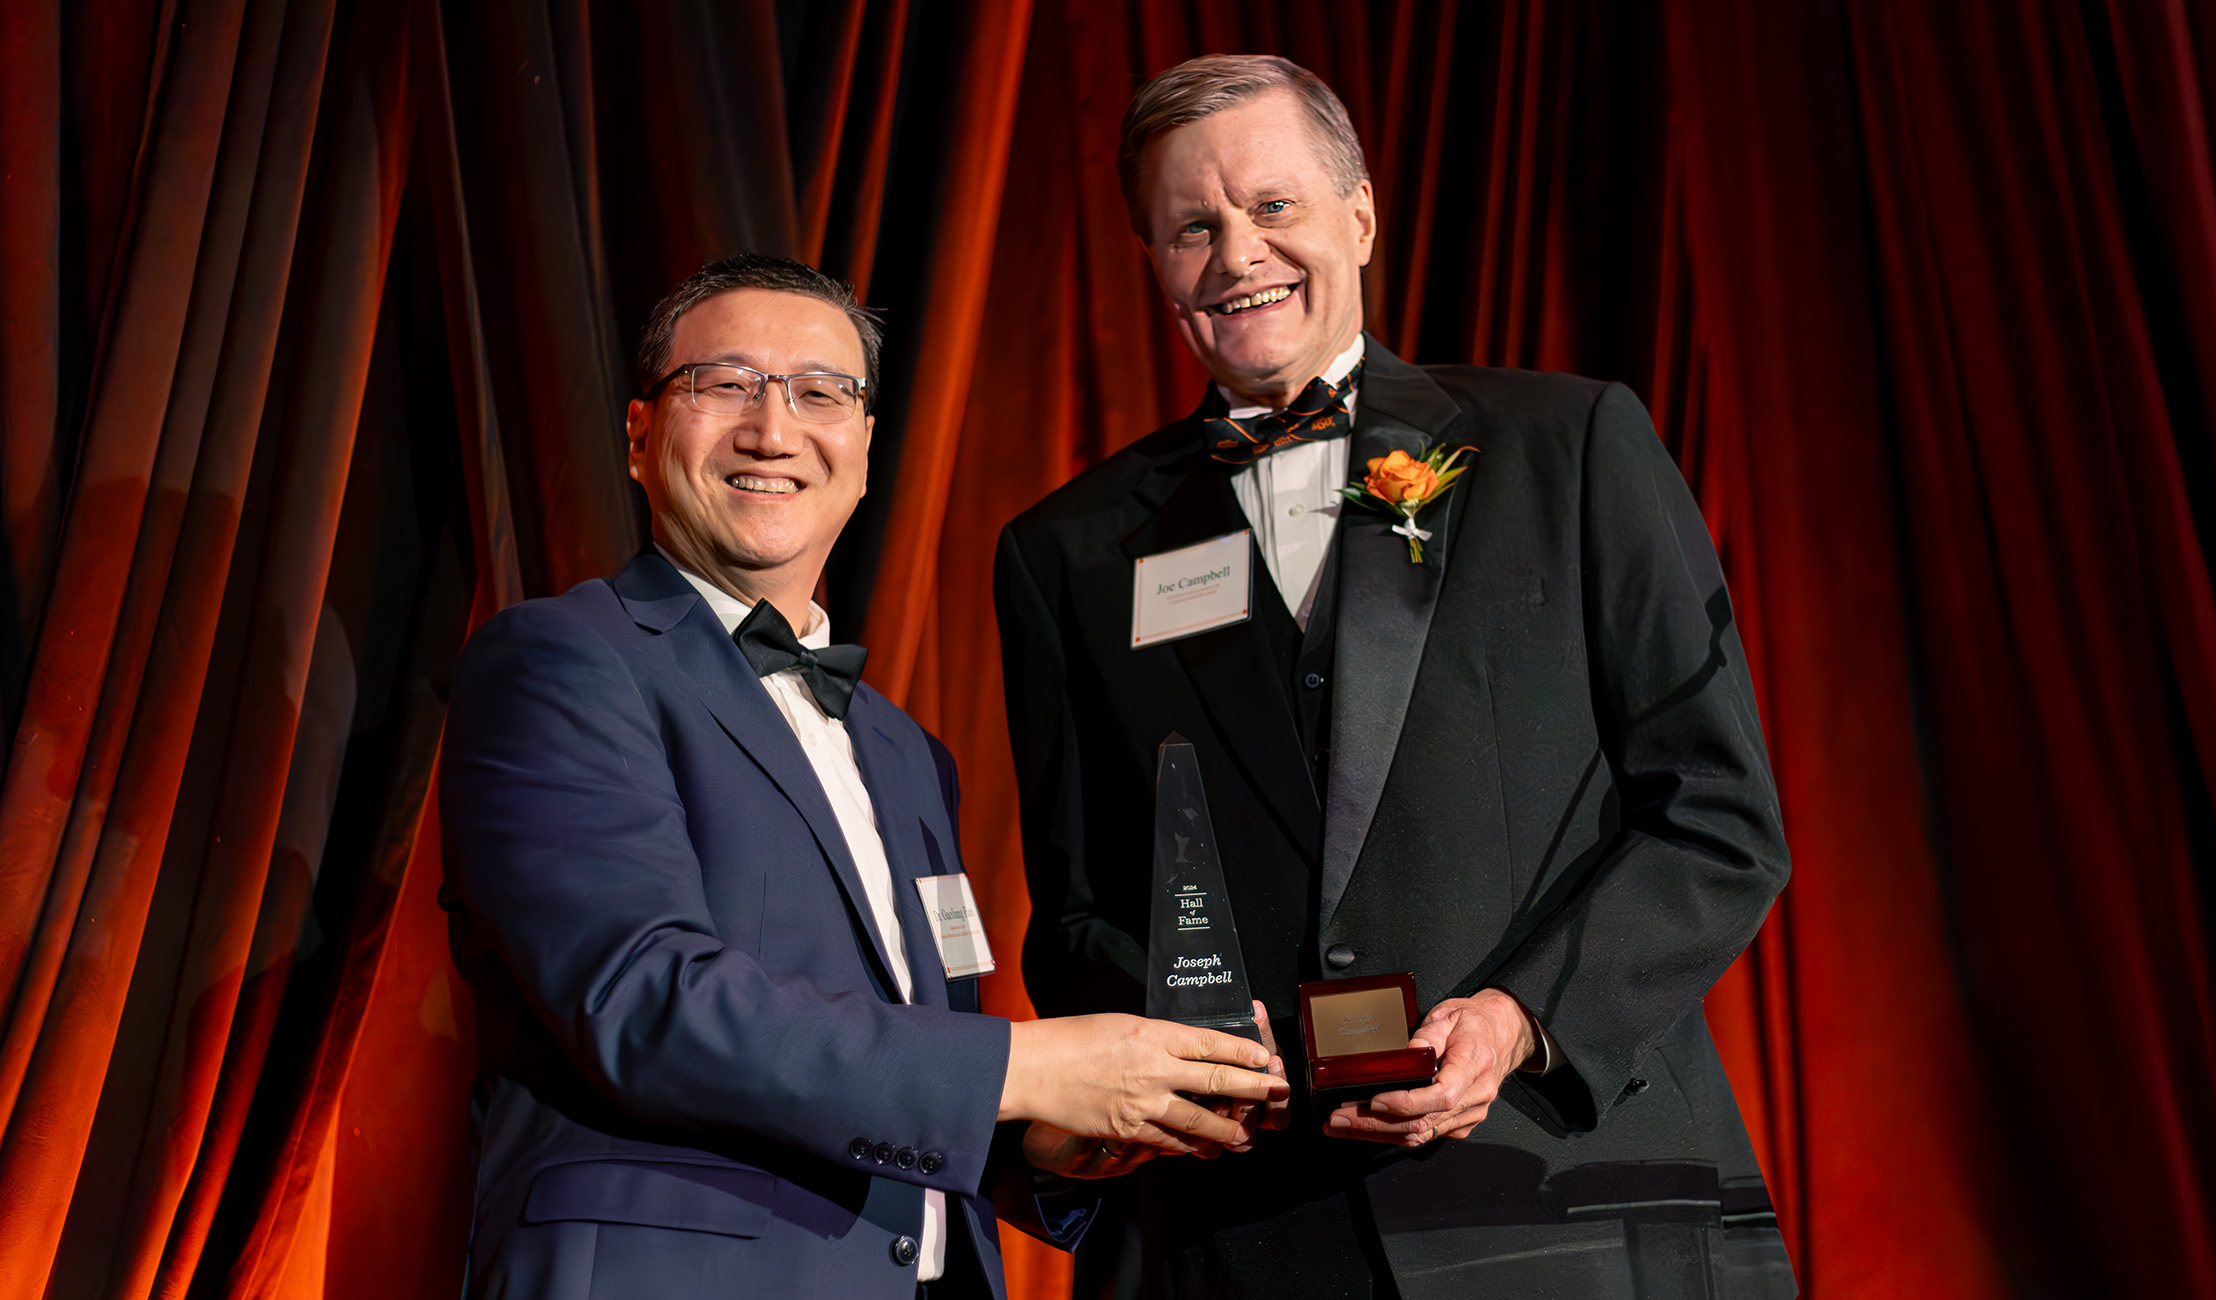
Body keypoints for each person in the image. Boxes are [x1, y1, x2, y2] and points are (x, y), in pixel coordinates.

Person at [994, 57, 1795, 1299]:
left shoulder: (1568, 445)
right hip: (1253, 1233)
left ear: (1358, 215)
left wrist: (1519, 1019)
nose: (1235, 252)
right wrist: (1194, 1041)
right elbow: (1080, 908)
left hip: (1572, 1197)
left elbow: (1717, 818)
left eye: (1272, 206)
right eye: (1191, 226)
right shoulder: (1070, 552)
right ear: (1150, 258)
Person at [440, 253, 1281, 1300]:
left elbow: (905, 1060)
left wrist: (1038, 1138)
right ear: (641, 436)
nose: (773, 429)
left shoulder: (903, 747)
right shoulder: (560, 659)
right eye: (724, 384)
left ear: (868, 448)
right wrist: (1026, 1068)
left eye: (819, 392)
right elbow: (644, 998)